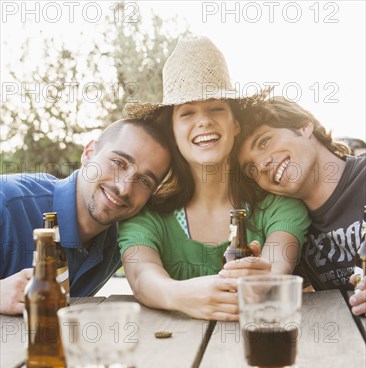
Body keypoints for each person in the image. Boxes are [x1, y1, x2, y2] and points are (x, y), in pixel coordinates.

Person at [118, 37, 310, 321]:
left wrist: (261, 274)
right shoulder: (148, 214)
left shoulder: (279, 207)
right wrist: (179, 295)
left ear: (235, 125)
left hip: (260, 346)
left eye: (216, 108)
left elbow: (276, 267)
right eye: (187, 112)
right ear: (172, 131)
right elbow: (142, 276)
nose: (204, 121)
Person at [0, 119, 171, 315]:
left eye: (144, 181)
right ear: (89, 153)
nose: (124, 188)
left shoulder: (124, 238)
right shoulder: (6, 200)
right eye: (118, 163)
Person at [237, 95, 366, 316]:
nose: (262, 164)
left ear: (303, 125)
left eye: (264, 141)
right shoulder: (292, 226)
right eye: (250, 169)